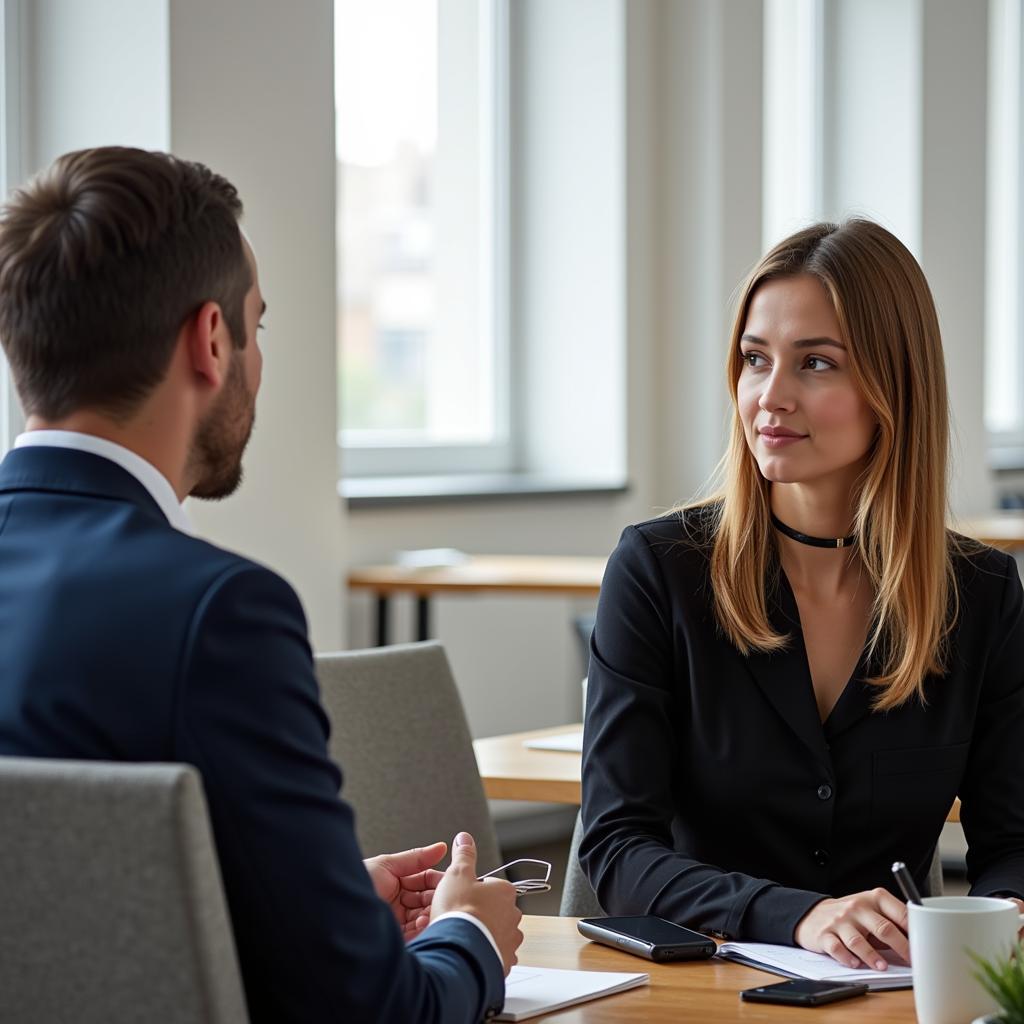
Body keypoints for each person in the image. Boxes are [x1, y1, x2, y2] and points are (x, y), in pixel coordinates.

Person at [0, 146, 522, 1023]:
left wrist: (302, 899)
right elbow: (370, 1013)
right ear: (211, 340)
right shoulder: (217, 614)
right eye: (258, 325)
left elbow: (52, 907)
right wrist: (466, 938)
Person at [580, 219, 1024, 973]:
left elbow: (1014, 843)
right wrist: (802, 917)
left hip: (891, 995)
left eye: (816, 363)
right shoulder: (659, 571)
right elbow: (617, 847)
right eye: (756, 360)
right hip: (702, 991)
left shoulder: (979, 595)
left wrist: (1002, 919)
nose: (770, 396)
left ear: (894, 386)